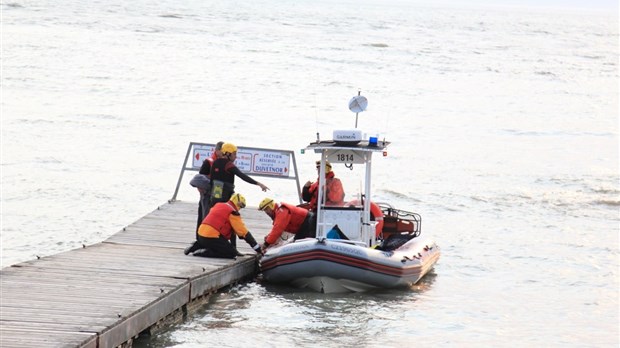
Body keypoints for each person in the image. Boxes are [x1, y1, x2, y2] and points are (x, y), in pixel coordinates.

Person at [187, 193, 262, 258]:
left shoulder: (219, 205)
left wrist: (234, 248)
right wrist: (257, 248)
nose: (240, 208)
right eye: (241, 205)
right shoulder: (233, 212)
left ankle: (196, 245)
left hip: (201, 234)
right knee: (231, 254)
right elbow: (243, 232)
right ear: (237, 202)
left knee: (224, 246)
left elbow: (233, 231)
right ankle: (204, 252)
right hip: (212, 236)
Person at [209, 142, 269, 206]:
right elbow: (242, 175)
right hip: (225, 196)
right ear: (228, 154)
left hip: (215, 196)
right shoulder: (228, 165)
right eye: (234, 154)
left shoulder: (215, 162)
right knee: (241, 205)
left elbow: (211, 179)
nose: (236, 157)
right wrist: (259, 184)